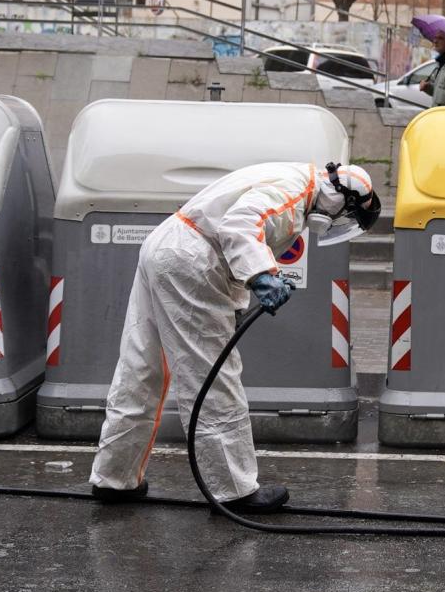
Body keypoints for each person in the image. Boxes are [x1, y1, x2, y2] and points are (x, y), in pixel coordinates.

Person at [89, 161, 381, 510]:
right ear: (339, 198)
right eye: (344, 215)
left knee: (141, 367)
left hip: (166, 246)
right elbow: (241, 224)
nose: (335, 222)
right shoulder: (295, 193)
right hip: (192, 259)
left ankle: (114, 477)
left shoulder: (294, 177)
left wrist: (248, 283)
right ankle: (234, 490)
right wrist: (262, 276)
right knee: (212, 377)